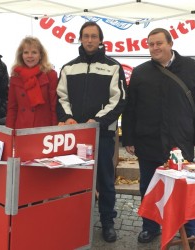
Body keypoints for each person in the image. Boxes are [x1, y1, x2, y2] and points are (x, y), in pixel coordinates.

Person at [122, 28, 195, 244]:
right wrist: (128, 138)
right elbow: (130, 108)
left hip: (181, 140)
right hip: (148, 140)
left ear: (170, 43)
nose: (155, 47)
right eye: (151, 44)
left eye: (159, 43)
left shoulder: (193, 67)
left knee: (184, 186)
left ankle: (189, 228)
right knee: (149, 186)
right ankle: (150, 227)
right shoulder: (141, 72)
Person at [57, 21, 127, 242]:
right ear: (80, 39)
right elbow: (61, 97)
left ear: (100, 40)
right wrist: (68, 118)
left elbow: (119, 101)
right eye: (85, 36)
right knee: (75, 180)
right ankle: (77, 220)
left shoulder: (113, 67)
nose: (89, 40)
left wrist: (96, 121)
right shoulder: (68, 68)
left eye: (93, 36)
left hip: (103, 134)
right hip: (75, 136)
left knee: (105, 180)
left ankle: (107, 222)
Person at [6, 36, 58, 129]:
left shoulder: (50, 75)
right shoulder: (15, 76)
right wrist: (9, 132)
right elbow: (12, 108)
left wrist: (54, 130)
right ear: (21, 55)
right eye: (26, 52)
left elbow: (54, 107)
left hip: (44, 129)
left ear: (40, 55)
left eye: (34, 52)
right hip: (21, 129)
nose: (30, 56)